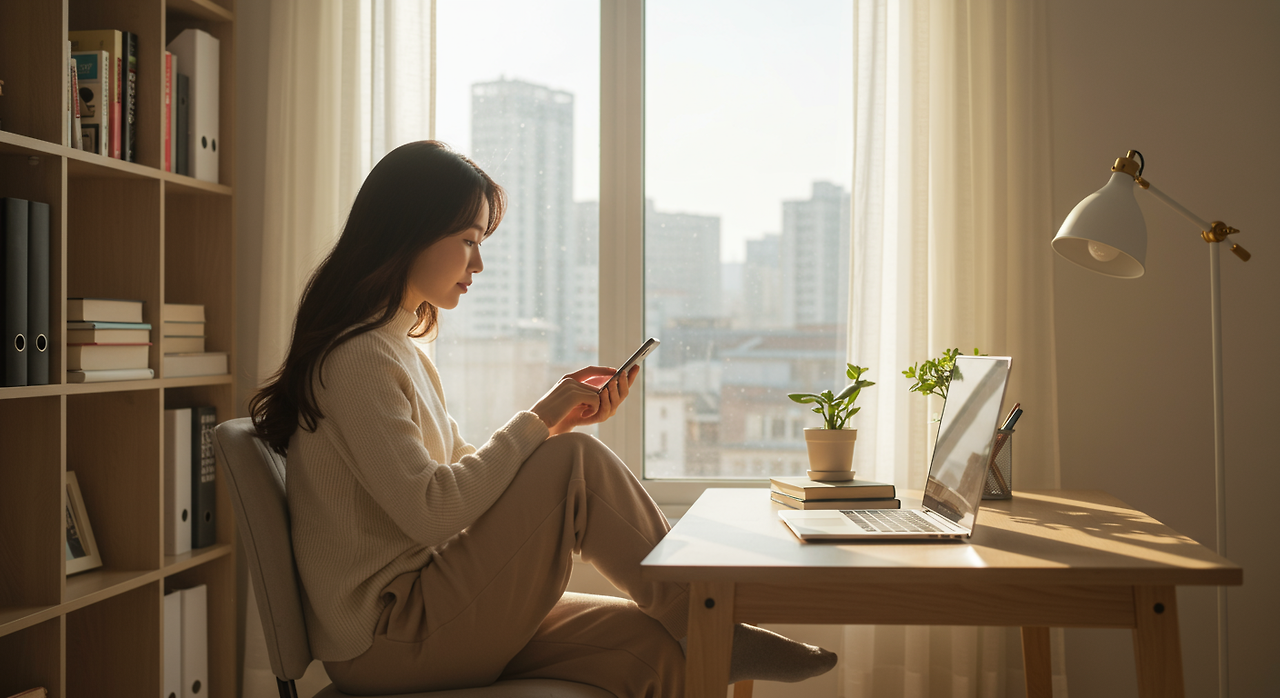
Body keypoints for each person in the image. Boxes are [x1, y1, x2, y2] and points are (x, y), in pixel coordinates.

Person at [249, 141, 837, 696]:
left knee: (654, 648)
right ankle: (711, 622)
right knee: (573, 466)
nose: (478, 262)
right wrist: (544, 416)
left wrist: (553, 423)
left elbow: (459, 474)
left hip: (427, 607)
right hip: (389, 636)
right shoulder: (357, 358)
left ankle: (705, 629)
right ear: (410, 234)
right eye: (468, 239)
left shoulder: (398, 345)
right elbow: (434, 513)